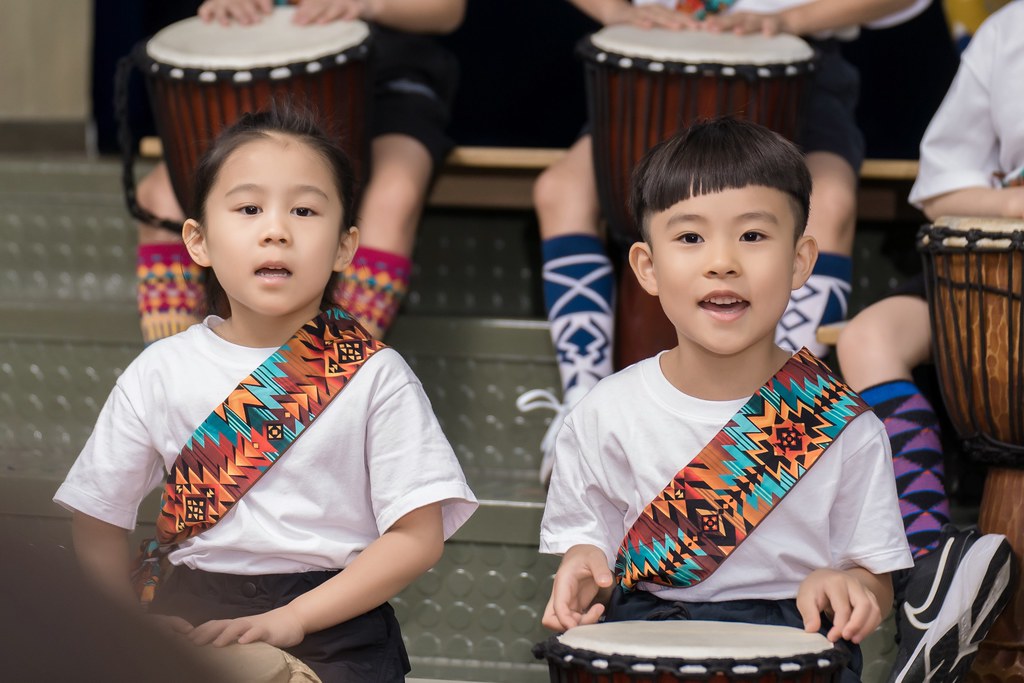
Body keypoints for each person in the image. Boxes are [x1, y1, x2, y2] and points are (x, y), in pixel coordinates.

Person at [54, 105, 478, 682]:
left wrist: (294, 619)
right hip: (188, 614)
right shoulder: (160, 370)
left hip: (335, 622)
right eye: (249, 208)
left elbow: (417, 536)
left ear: (344, 248)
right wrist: (133, 624)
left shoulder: (378, 376)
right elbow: (98, 518)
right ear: (197, 241)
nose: (276, 229)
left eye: (304, 210)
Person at [539, 118, 913, 682]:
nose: (722, 261)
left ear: (800, 262)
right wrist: (581, 565)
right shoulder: (603, 412)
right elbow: (589, 550)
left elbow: (875, 583)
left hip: (796, 643)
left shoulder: (847, 427)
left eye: (753, 236)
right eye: (690, 238)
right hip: (646, 640)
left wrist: (850, 588)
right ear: (647, 267)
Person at [520, 0, 929, 483]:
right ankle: (582, 402)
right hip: (653, 65)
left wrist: (790, 20)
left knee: (831, 201)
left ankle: (785, 416)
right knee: (560, 190)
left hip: (798, 64)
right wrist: (612, 10)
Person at [835, 4, 1022, 679]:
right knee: (867, 335)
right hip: (996, 274)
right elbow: (942, 188)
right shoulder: (1009, 32)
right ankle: (930, 576)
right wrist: (1009, 203)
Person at [135, 0, 464, 343]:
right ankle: (177, 375)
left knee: (393, 195)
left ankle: (319, 374)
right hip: (259, 78)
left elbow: (447, 10)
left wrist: (368, 4)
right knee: (158, 198)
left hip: (388, 82)